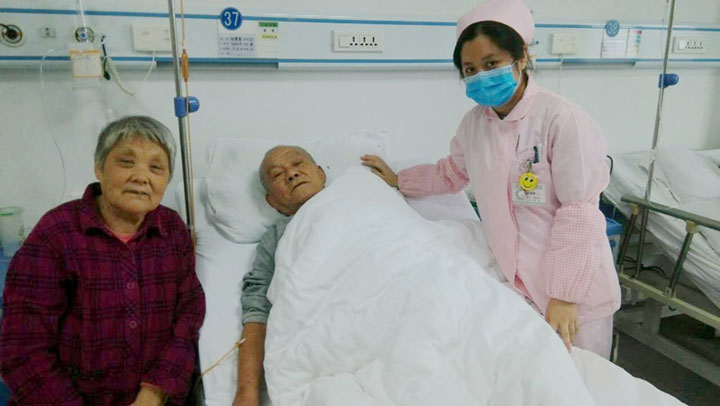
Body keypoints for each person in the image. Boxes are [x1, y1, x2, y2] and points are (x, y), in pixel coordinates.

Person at [362, 0, 620, 358]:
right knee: (537, 379)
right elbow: (450, 173)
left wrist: (564, 296)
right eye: (470, 69)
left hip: (575, 295)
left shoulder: (561, 119)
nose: (481, 75)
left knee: (585, 378)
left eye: (491, 63)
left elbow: (579, 212)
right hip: (519, 287)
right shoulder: (474, 125)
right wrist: (399, 179)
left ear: (521, 57)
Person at [0, 116, 206, 406]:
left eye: (156, 168)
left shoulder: (172, 231)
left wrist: (154, 392)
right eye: (126, 162)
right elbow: (23, 348)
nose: (141, 177)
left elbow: (188, 317)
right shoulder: (56, 233)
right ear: (99, 167)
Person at [233, 146, 327, 406]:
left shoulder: (363, 197)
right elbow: (257, 309)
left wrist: (397, 182)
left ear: (321, 173)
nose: (292, 174)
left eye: (299, 164)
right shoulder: (276, 239)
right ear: (272, 201)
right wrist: (246, 393)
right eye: (277, 174)